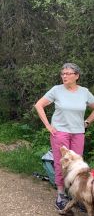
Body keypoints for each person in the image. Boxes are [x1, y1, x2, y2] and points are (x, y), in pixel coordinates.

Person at [34, 63, 94, 212]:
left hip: (78, 132)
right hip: (60, 132)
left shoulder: (84, 92)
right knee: (62, 164)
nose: (64, 76)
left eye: (68, 73)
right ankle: (61, 195)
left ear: (76, 76)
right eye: (63, 73)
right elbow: (39, 105)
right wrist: (48, 125)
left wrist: (87, 121)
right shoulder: (56, 90)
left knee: (78, 165)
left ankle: (76, 195)